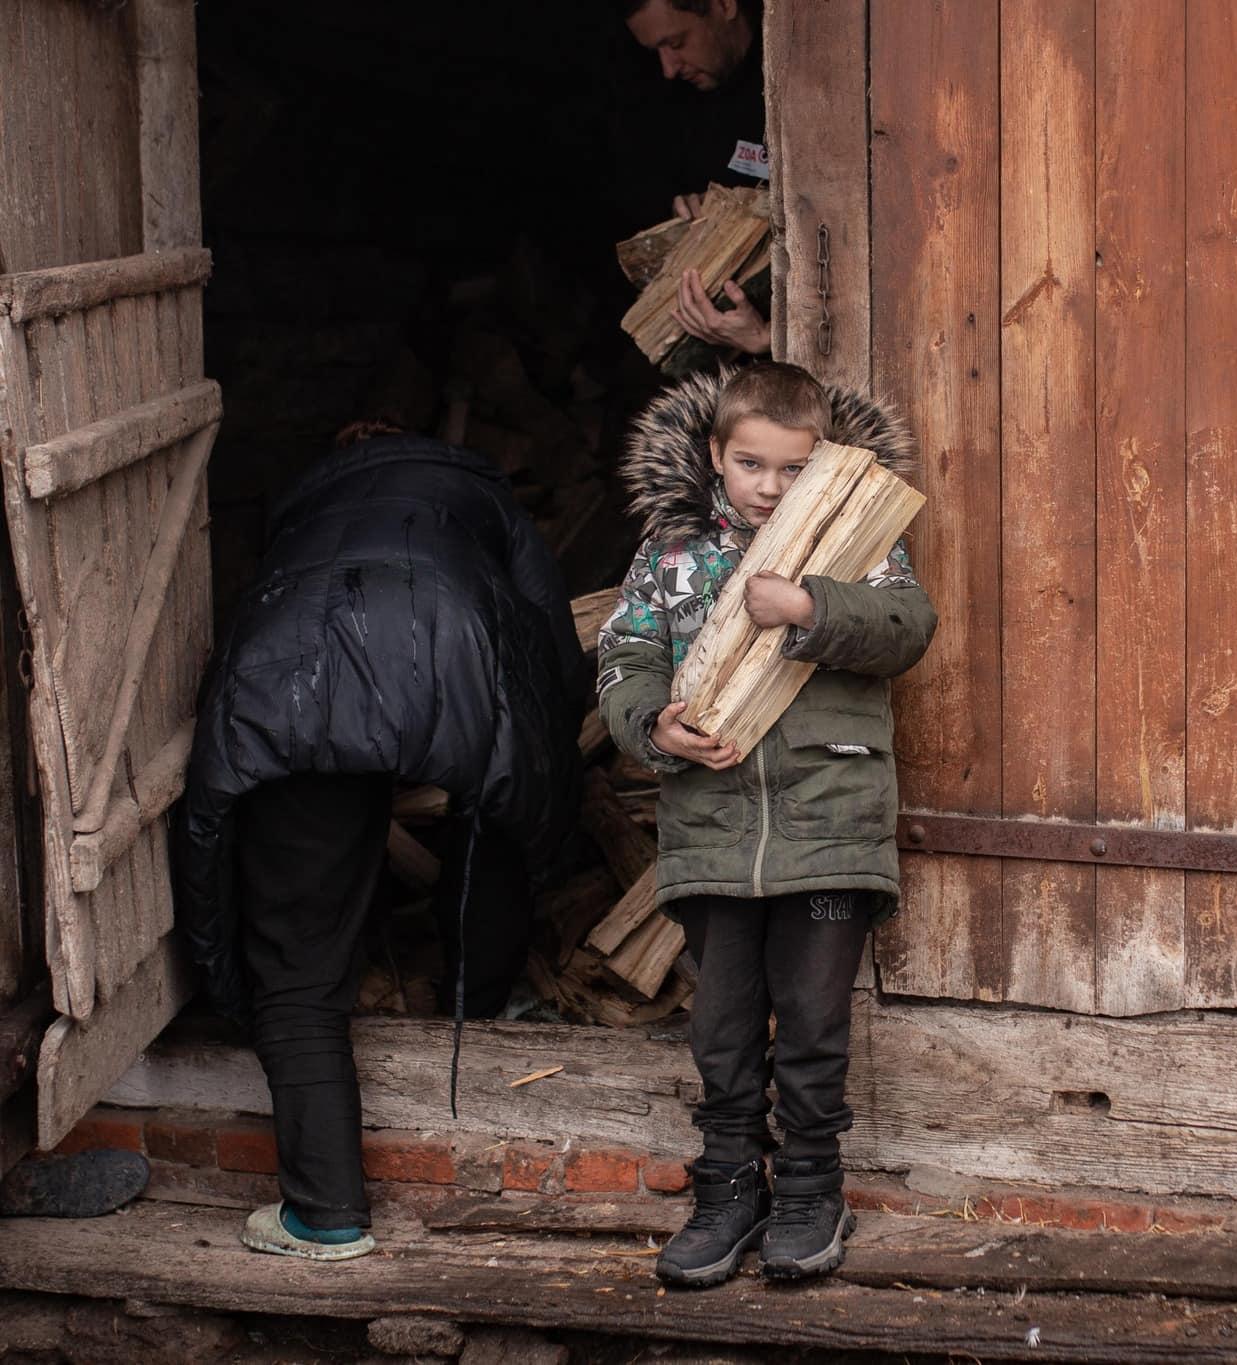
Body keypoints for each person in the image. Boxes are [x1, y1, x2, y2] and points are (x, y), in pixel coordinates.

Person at [173, 422, 585, 1261]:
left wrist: (220, 978)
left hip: (289, 691)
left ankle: (324, 1213)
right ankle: (480, 993)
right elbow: (555, 655)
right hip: (453, 663)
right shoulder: (480, 497)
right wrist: (545, 774)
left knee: (296, 971)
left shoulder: (303, 511)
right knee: (493, 814)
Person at [596, 362, 934, 1286]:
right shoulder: (669, 555)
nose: (770, 487)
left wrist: (811, 605)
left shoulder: (855, 541)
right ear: (716, 455)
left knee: (817, 1018)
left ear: (820, 461)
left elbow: (908, 625)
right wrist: (654, 725)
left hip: (830, 826)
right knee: (724, 1025)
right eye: (751, 465)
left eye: (792, 468)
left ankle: (812, 1189)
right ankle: (729, 1186)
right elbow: (624, 656)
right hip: (713, 832)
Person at [615, 0, 772, 358]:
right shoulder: (677, 107)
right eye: (656, 51)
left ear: (725, 5)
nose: (668, 68)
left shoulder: (805, 76)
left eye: (676, 42)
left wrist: (773, 336)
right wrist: (681, 212)